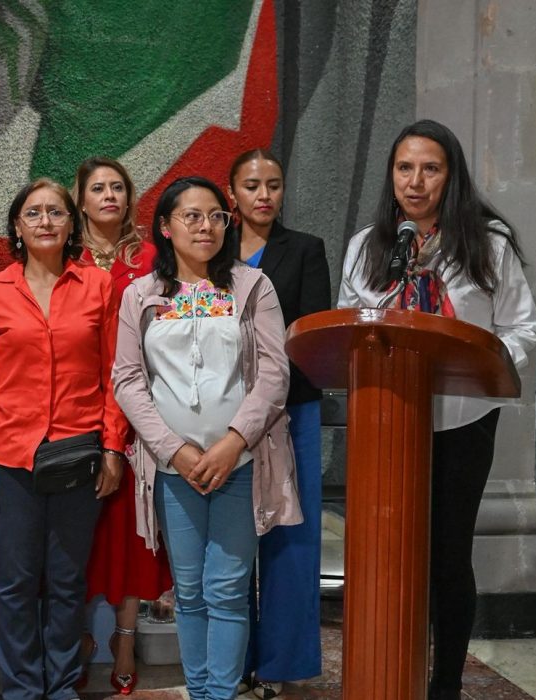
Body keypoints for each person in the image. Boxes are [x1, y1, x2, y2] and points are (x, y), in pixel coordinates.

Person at [338, 119, 536, 700]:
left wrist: (483, 363)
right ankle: (384, 670)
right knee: (388, 551)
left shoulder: (488, 242)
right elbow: (350, 326)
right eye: (405, 168)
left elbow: (522, 328)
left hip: (462, 419)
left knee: (448, 555)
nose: (416, 181)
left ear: (451, 176)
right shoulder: (367, 245)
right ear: (391, 176)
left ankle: (445, 682)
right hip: (386, 420)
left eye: (431, 168)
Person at [111, 175, 301, 700]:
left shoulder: (251, 286)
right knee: (189, 591)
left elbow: (273, 373)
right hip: (174, 469)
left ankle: (219, 694)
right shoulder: (141, 294)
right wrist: (175, 448)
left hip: (238, 463)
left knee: (228, 590)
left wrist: (234, 441)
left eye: (216, 216)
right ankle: (199, 693)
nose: (206, 226)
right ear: (166, 227)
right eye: (191, 216)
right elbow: (127, 380)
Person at [0, 178, 128, 700]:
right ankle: (22, 688)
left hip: (78, 455)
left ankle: (61, 685)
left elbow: (115, 375)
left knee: (65, 581)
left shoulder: (97, 286)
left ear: (70, 223)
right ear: (17, 225)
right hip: (11, 457)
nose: (46, 222)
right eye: (34, 213)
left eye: (56, 212)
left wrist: (113, 447)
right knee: (13, 582)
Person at [227, 149, 328, 697]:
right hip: (224, 419)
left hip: (293, 410)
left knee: (292, 540)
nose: (264, 194)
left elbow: (310, 335)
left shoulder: (306, 250)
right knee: (233, 539)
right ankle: (234, 663)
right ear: (233, 194)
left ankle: (281, 667)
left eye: (273, 184)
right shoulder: (213, 252)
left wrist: (265, 387)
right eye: (252, 184)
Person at [73, 156, 171, 695]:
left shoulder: (153, 258)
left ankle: (125, 640)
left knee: (135, 538)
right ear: (81, 199)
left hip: (142, 416)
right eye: (98, 188)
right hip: (79, 412)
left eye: (118, 187)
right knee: (83, 536)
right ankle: (84, 635)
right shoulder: (68, 255)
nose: (109, 195)